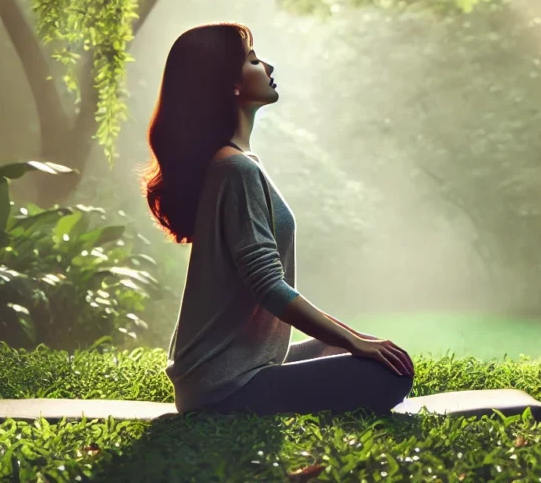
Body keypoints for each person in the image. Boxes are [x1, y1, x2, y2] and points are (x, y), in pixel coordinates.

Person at [140, 22, 414, 416]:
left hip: (242, 369)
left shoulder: (238, 164)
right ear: (229, 83)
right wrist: (357, 345)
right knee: (389, 374)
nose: (267, 66)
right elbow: (268, 286)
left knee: (378, 353)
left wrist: (355, 340)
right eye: (252, 59)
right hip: (226, 386)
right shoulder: (234, 170)